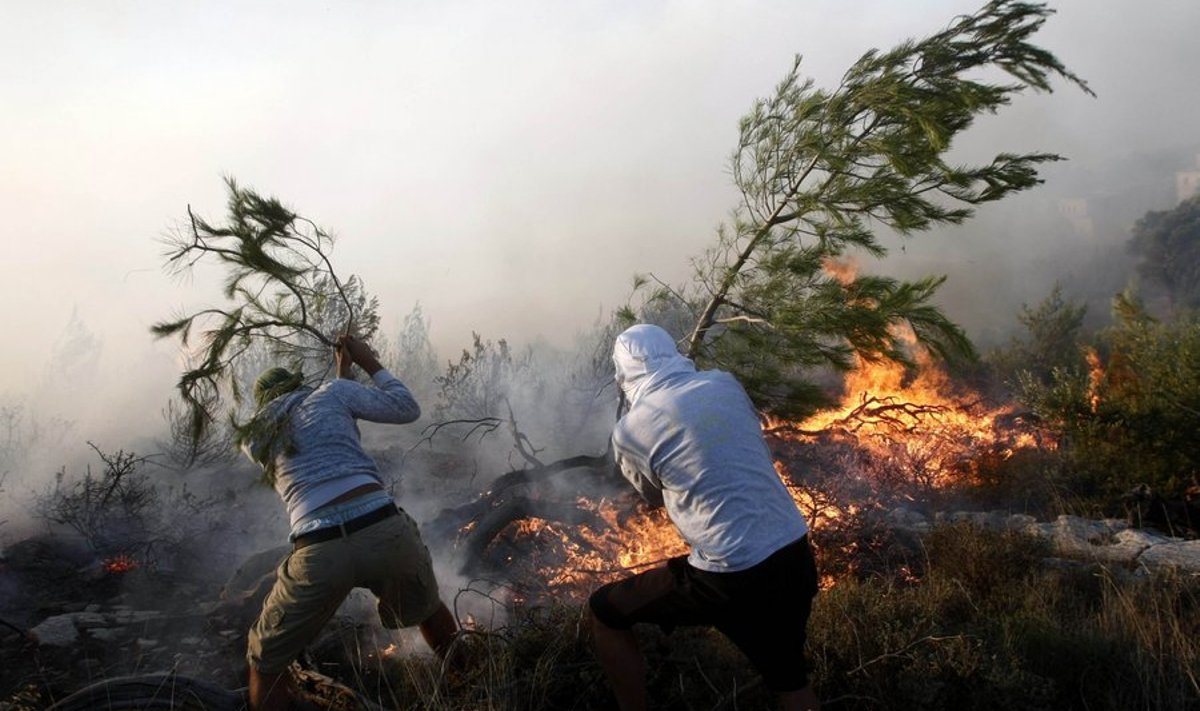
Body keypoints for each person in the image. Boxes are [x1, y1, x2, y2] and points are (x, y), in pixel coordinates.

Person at [588, 324, 821, 711]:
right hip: (794, 552)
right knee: (790, 681)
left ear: (623, 373)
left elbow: (651, 495)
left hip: (728, 576)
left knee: (603, 612)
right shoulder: (724, 384)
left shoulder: (630, 430)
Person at [240, 334, 458, 711]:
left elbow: (303, 427)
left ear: (262, 403)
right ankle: (476, 685)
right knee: (429, 611)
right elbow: (406, 407)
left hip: (319, 548)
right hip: (383, 528)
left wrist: (344, 373)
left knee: (266, 660)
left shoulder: (254, 435)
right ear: (301, 384)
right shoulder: (330, 394)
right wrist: (367, 360)